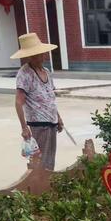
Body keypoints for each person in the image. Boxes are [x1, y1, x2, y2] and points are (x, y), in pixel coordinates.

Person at [11, 33, 64, 170]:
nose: (43, 55)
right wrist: (24, 127)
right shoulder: (25, 73)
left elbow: (50, 97)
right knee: (40, 162)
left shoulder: (46, 71)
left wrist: (58, 117)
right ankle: (39, 189)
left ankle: (47, 187)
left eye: (42, 53)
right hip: (38, 124)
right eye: (39, 53)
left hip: (51, 122)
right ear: (31, 55)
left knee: (50, 159)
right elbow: (18, 102)